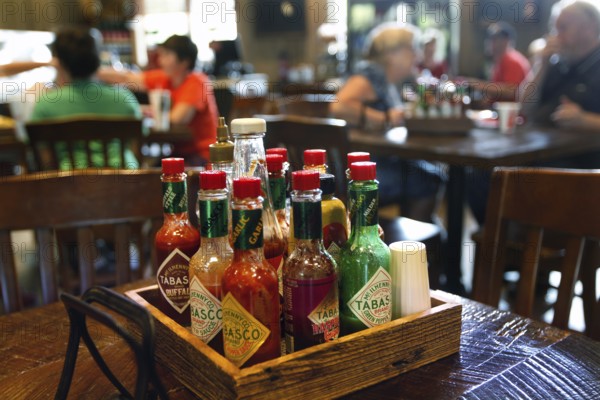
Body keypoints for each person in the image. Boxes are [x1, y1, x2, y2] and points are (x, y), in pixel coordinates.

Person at [330, 23, 445, 223]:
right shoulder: (371, 74)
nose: (417, 55)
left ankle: (415, 239)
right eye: (412, 48)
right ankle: (415, 244)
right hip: (362, 172)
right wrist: (384, 118)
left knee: (428, 173)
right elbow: (339, 106)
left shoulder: (385, 79)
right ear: (393, 53)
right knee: (429, 177)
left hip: (374, 162)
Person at [30, 27, 141, 170]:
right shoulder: (125, 99)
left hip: (68, 185)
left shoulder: (45, 104)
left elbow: (44, 157)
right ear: (97, 59)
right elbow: (135, 146)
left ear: (60, 63)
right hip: (124, 182)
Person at [98, 35, 218, 165]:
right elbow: (127, 78)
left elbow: (177, 118)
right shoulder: (166, 78)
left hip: (204, 155)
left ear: (184, 61)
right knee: (152, 172)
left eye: (166, 56)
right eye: (161, 55)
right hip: (180, 152)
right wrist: (92, 71)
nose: (161, 61)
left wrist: (147, 111)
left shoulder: (197, 82)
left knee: (156, 175)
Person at [521, 0, 600, 130]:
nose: (554, 37)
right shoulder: (555, 61)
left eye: (562, 28)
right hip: (543, 145)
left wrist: (584, 119)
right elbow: (524, 108)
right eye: (553, 29)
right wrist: (541, 66)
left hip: (584, 149)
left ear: (589, 29)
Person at [470, 22, 531, 104]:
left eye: (494, 39)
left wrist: (478, 85)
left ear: (505, 41)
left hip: (511, 114)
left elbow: (511, 91)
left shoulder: (512, 60)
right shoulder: (500, 61)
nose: (489, 42)